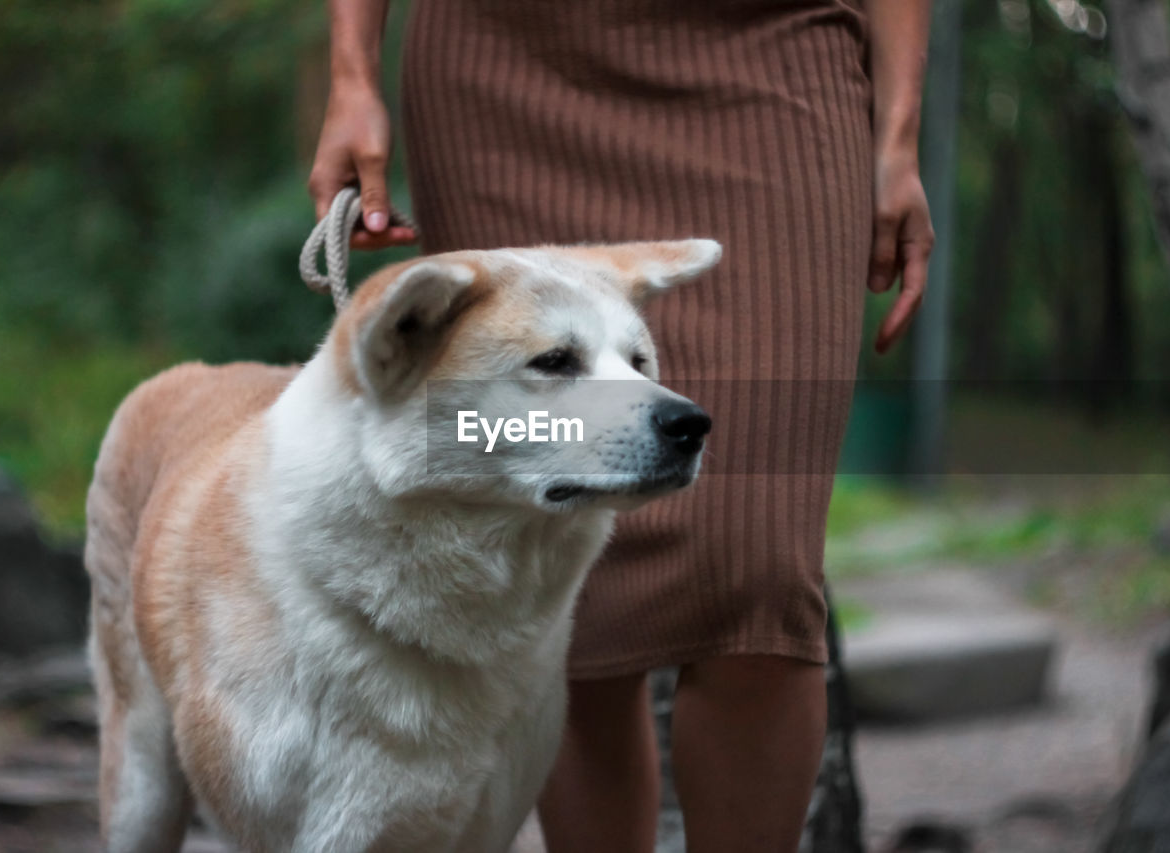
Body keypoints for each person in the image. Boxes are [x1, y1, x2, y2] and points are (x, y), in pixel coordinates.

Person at [309, 1, 933, 850]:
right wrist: (353, 74)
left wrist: (897, 134)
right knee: (573, 595)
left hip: (775, 53)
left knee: (758, 573)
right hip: (503, 64)